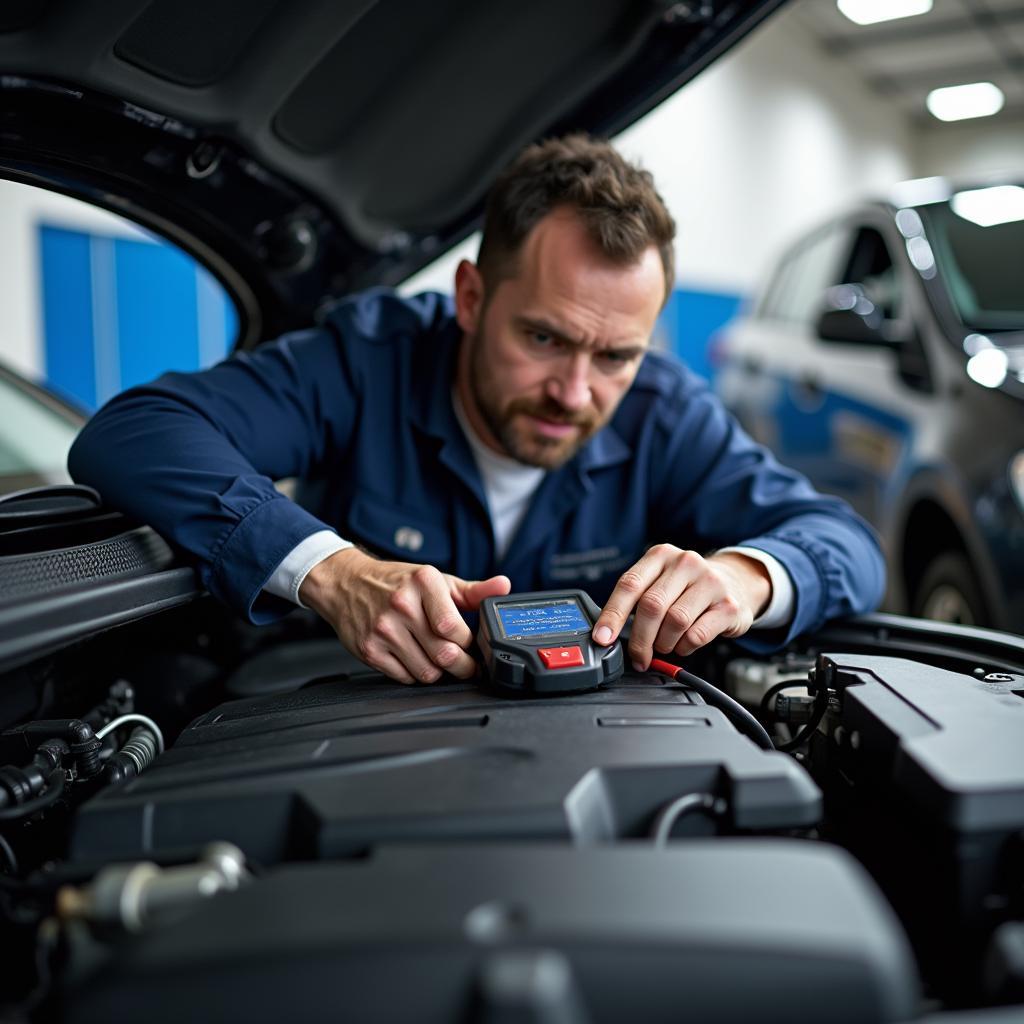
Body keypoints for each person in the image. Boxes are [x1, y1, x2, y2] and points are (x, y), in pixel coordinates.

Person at [69, 135, 885, 685]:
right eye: (542, 337)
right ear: (470, 297)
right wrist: (332, 571)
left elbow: (847, 543)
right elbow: (136, 431)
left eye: (615, 357)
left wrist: (748, 577)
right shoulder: (367, 360)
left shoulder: (666, 412)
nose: (575, 392)